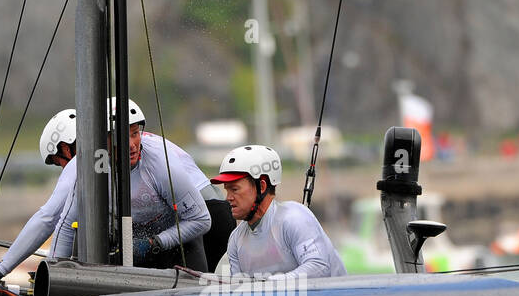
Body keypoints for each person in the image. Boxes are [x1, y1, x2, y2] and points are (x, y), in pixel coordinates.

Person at [50, 98, 211, 270]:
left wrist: (154, 242)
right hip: (133, 246)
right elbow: (66, 225)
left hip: (176, 244)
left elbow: (201, 220)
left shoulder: (161, 164)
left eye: (135, 133)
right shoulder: (95, 165)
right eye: (121, 136)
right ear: (104, 139)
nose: (132, 145)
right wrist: (52, 271)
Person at [0, 108, 78, 294]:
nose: (64, 170)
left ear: (66, 148)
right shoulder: (138, 144)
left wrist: (0, 269)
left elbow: (48, 217)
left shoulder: (79, 162)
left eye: (59, 163)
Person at [210, 144, 346, 277]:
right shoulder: (235, 239)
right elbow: (238, 290)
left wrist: (271, 284)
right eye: (226, 190)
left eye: (234, 189)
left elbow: (319, 267)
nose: (228, 198)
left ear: (262, 187)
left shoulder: (294, 218)